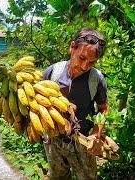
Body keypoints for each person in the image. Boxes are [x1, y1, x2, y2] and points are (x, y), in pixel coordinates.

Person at [42, 28, 109, 180]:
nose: (85, 66)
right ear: (72, 48)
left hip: (83, 141)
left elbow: (104, 109)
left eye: (92, 62)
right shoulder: (52, 73)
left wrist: (96, 134)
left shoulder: (96, 79)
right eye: (82, 58)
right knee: (58, 177)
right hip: (54, 140)